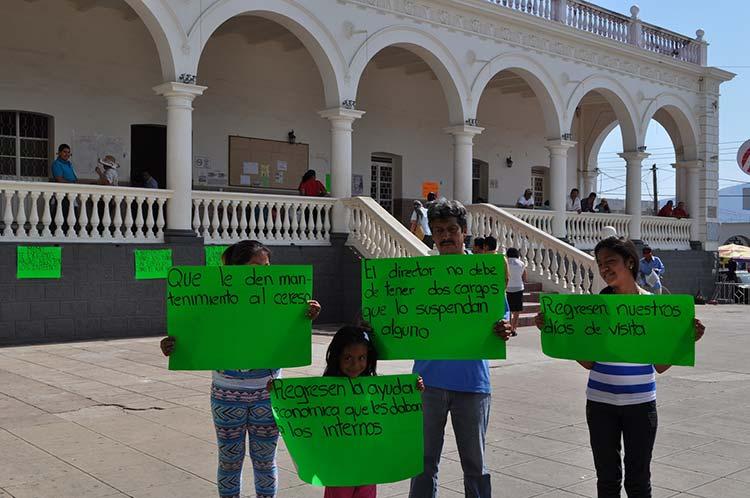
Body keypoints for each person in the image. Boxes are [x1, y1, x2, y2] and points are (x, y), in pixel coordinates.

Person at [535, 237, 705, 498]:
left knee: (638, 481)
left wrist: (686, 341)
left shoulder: (654, 306)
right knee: (607, 481)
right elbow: (589, 362)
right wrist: (557, 333)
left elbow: (659, 365)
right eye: (600, 264)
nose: (604, 269)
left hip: (642, 405)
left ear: (630, 262)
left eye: (610, 262)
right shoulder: (594, 308)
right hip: (600, 403)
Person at [160, 240, 321, 498]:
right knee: (229, 462)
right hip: (227, 394)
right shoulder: (213, 300)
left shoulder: (280, 300)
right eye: (255, 267)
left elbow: (289, 338)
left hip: (267, 394)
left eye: (267, 267)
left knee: (265, 462)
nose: (263, 274)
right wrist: (173, 345)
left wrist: (304, 316)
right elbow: (192, 332)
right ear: (234, 270)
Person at [409, 199, 513, 498]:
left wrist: (503, 327)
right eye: (439, 230)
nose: (445, 236)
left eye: (452, 229)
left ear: (464, 231)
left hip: (473, 383)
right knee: (423, 463)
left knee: (475, 464)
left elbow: (501, 315)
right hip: (426, 382)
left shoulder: (482, 273)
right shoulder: (419, 274)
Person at [322, 325, 424, 498]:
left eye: (361, 357)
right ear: (337, 357)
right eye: (348, 358)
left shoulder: (376, 388)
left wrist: (413, 391)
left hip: (368, 467)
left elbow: (394, 413)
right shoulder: (323, 391)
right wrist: (278, 393)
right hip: (339, 469)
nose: (355, 364)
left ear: (369, 358)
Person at [505, 247, 527, 336]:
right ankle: (514, 328)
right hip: (518, 288)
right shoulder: (521, 263)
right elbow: (525, 277)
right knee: (517, 310)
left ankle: (508, 327)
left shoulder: (505, 262)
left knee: (508, 309)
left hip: (507, 288)